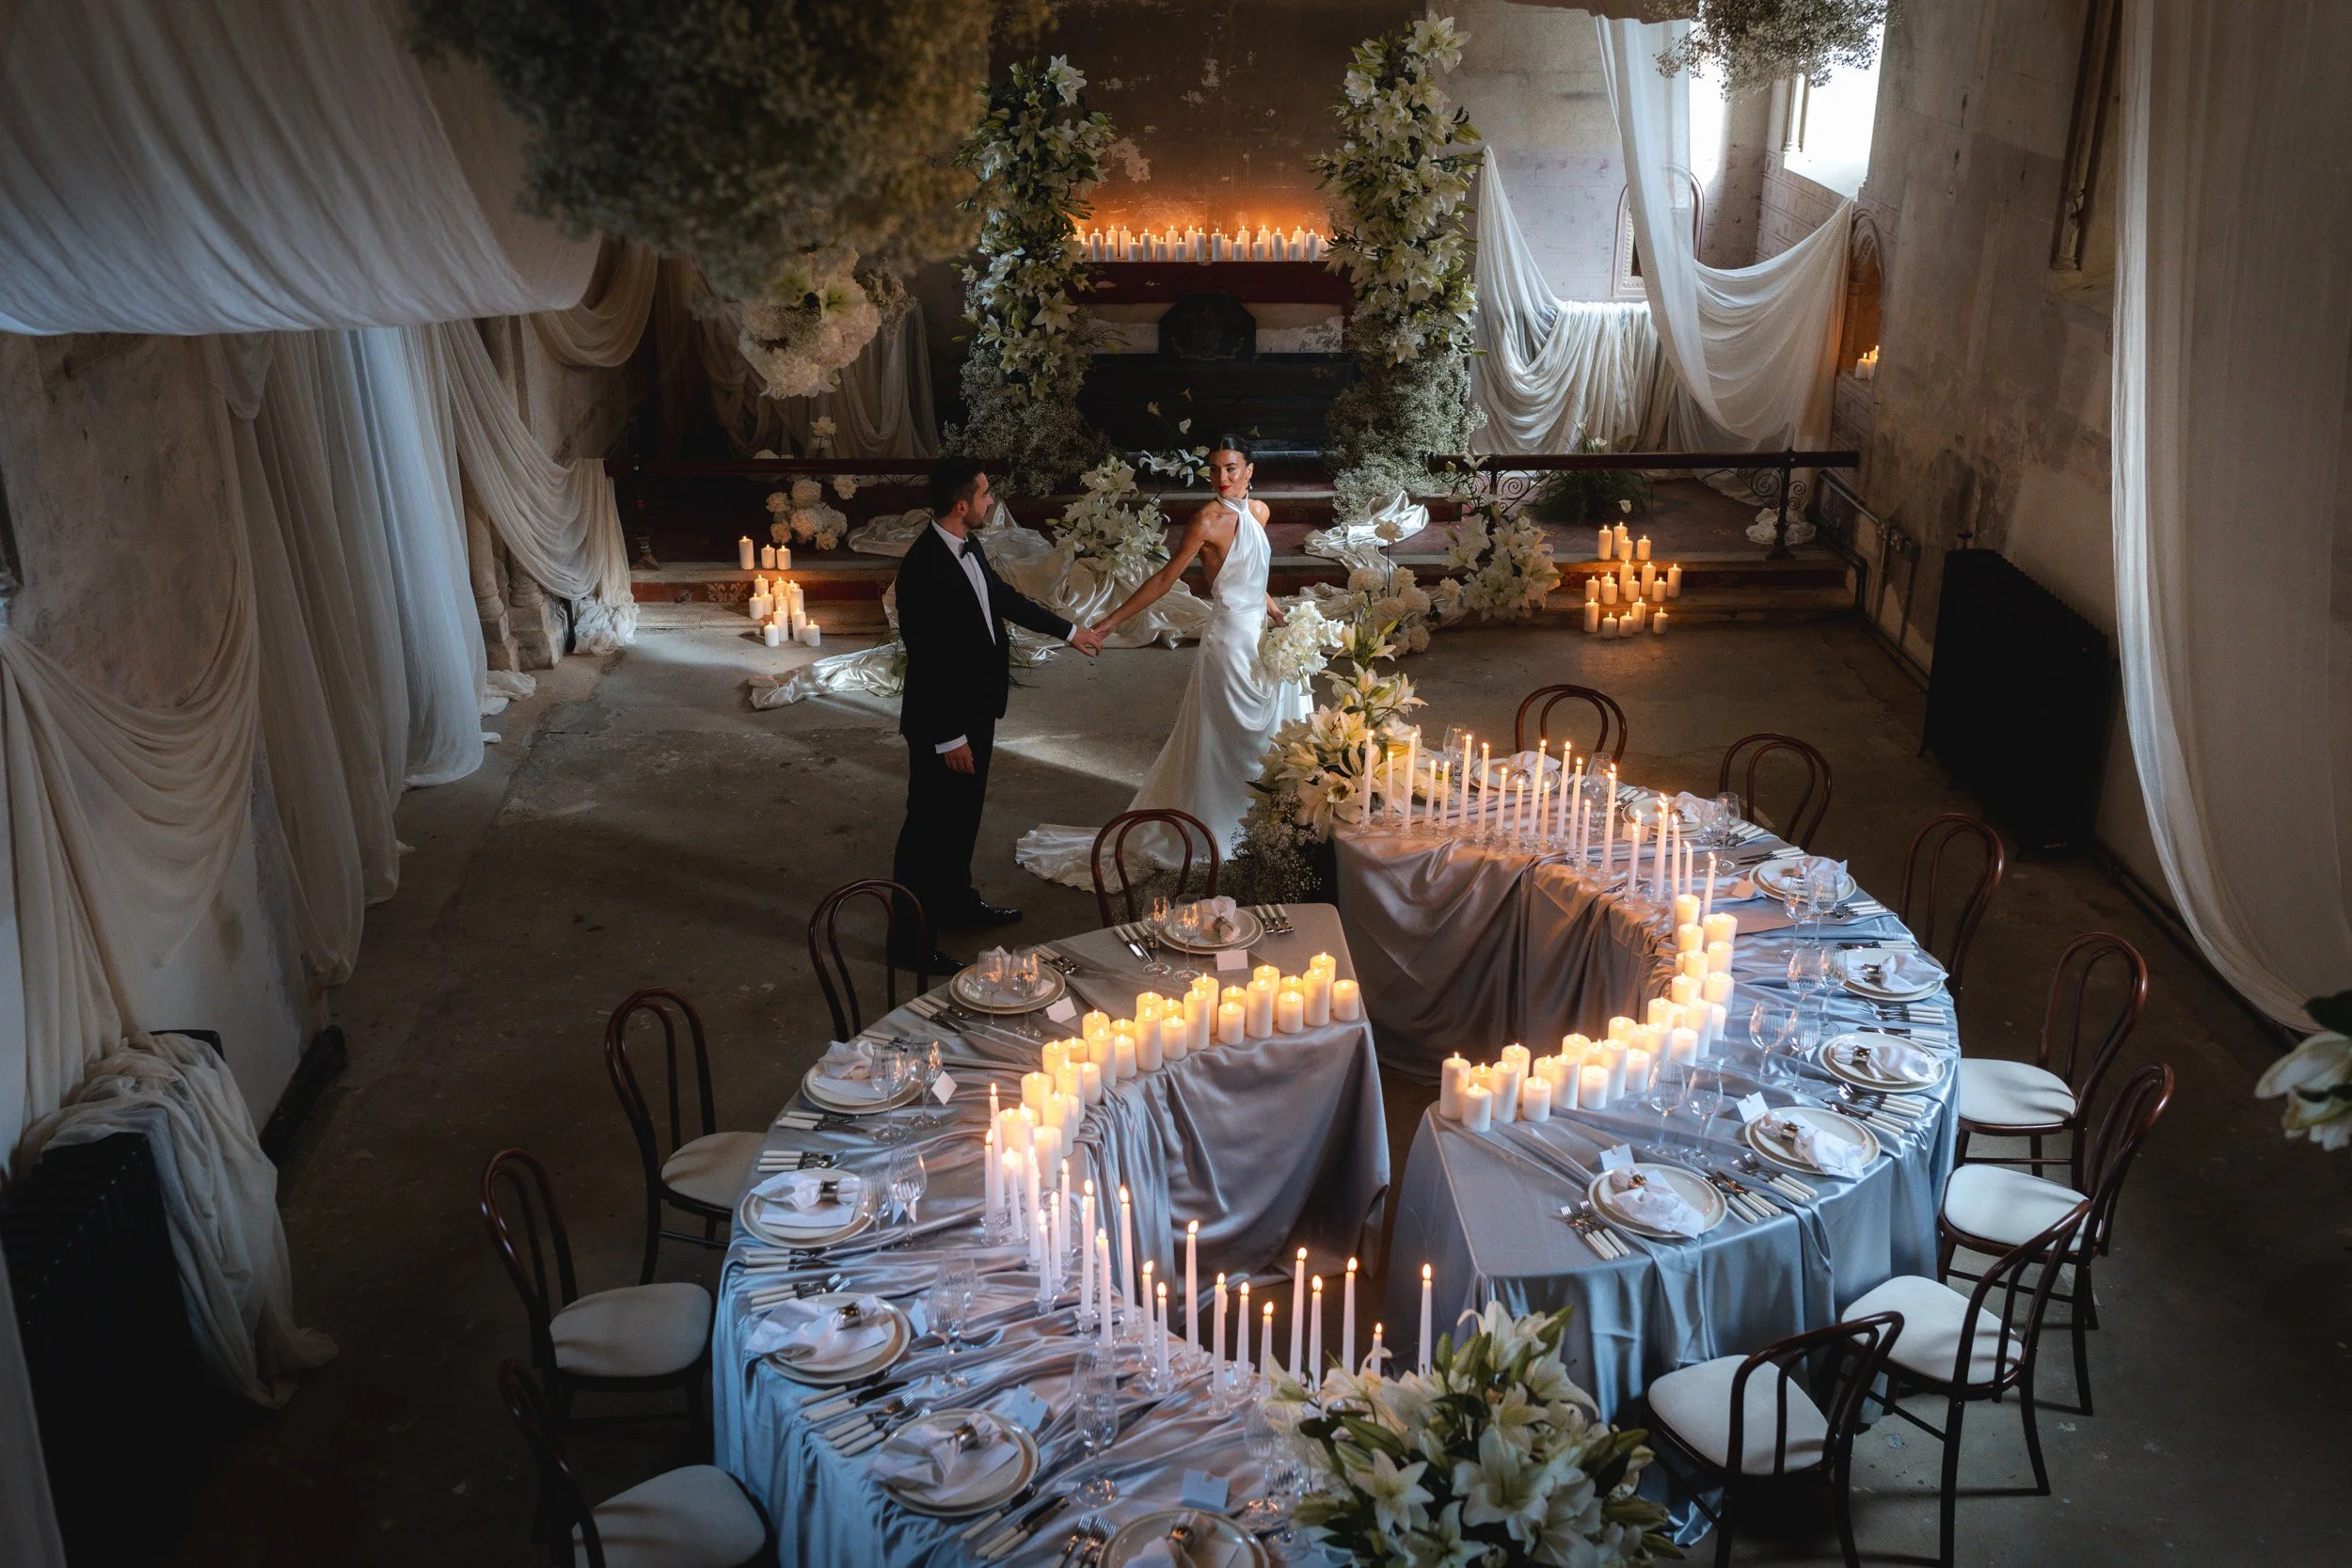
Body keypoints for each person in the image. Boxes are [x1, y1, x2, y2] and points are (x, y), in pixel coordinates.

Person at [1015, 437, 1309, 886]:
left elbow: (1254, 577)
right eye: (1214, 470)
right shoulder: (1206, 521)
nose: (1222, 478)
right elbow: (1165, 579)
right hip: (1228, 643)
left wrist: (1279, 615)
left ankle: (1262, 825)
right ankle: (1215, 827)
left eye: (1231, 468)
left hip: (1260, 639)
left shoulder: (1261, 512)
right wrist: (1109, 622)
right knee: (1223, 738)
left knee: (1264, 738)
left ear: (1249, 471)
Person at [892, 458, 1104, 969]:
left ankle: (956, 903)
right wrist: (949, 737)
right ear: (961, 505)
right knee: (928, 829)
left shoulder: (969, 545)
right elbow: (928, 659)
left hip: (976, 709)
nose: (991, 501)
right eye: (985, 494)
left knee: (963, 817)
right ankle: (909, 943)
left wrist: (1069, 631)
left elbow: (1001, 598)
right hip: (944, 722)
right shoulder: (922, 568)